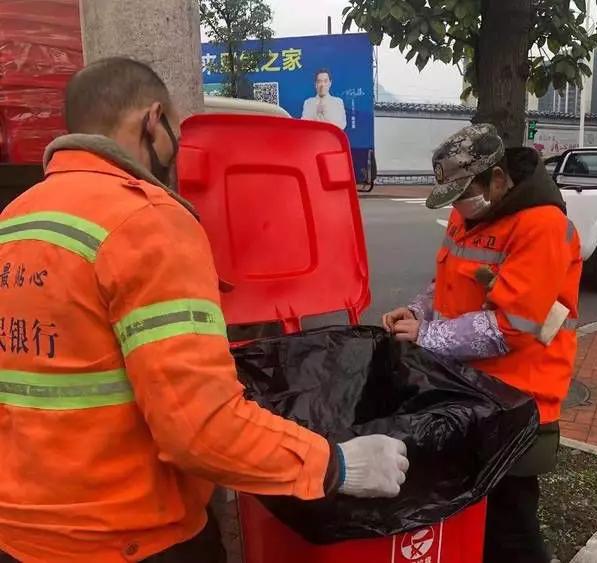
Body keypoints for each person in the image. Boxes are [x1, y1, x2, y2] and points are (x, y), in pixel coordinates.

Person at [0, 57, 409, 563]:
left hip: (19, 534)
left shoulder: (15, 218)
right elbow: (198, 429)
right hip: (130, 538)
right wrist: (337, 464)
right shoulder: (145, 221)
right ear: (154, 121)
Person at [383, 124, 582, 563]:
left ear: (497, 178)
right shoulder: (469, 211)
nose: (458, 206)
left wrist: (427, 336)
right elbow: (448, 282)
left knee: (512, 530)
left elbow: (511, 326)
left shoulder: (542, 226)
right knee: (477, 518)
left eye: (463, 193)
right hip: (471, 389)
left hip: (518, 398)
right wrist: (418, 312)